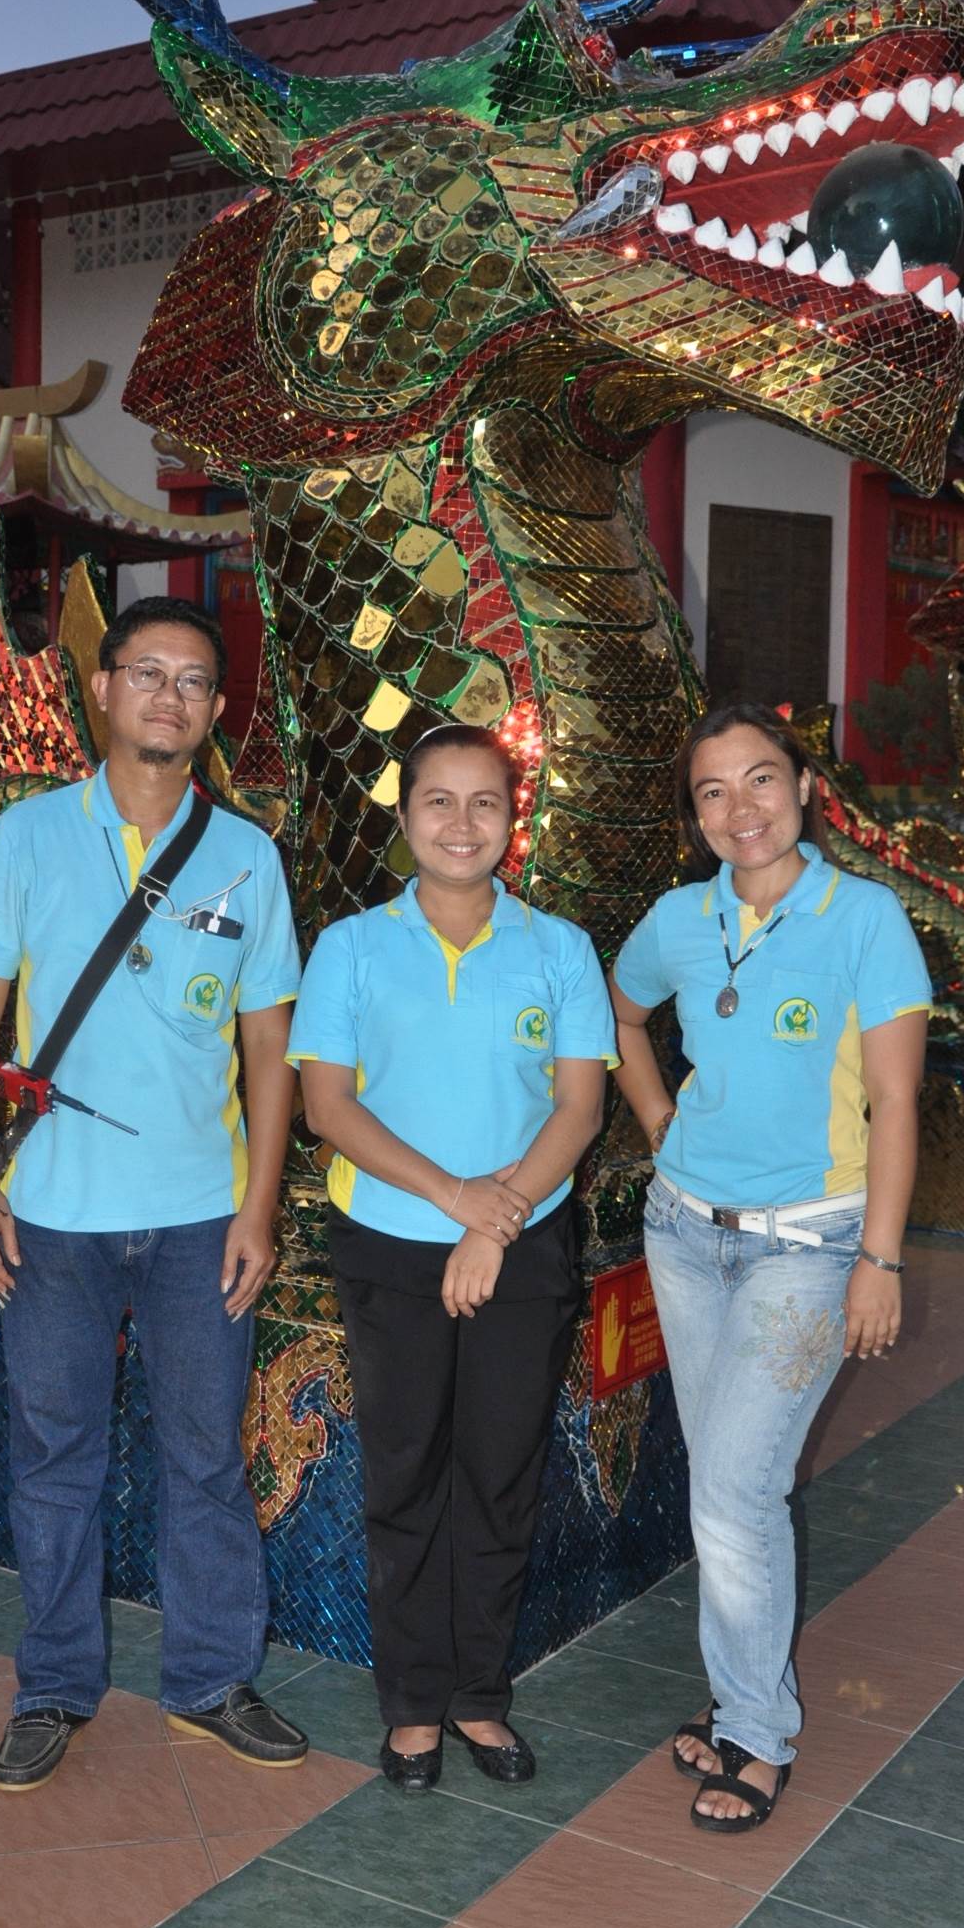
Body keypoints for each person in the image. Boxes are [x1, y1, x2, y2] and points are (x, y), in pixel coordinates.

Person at [0, 596, 308, 1791]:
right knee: (54, 1456)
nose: (169, 695)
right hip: (51, 1212)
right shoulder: (29, 834)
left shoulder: (247, 855)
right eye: (146, 672)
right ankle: (52, 1682)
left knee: (205, 1457)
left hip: (201, 1213)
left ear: (215, 709)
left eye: (192, 679)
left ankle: (211, 1677)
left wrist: (258, 1207)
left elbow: (269, 1047)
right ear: (100, 689)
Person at [610, 702, 929, 1833]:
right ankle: (742, 1689)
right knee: (727, 1482)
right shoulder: (678, 918)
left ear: (801, 788)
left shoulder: (865, 918)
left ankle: (756, 1729)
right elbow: (621, 1011)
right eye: (712, 790)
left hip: (811, 1242)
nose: (738, 807)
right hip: (683, 1231)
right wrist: (659, 1117)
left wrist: (879, 1257)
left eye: (758, 779)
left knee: (734, 1488)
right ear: (694, 814)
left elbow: (895, 1100)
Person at [288, 725, 616, 1793]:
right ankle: (412, 1704)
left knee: (500, 1472)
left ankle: (479, 1694)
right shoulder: (350, 947)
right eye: (439, 801)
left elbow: (579, 1107)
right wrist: (454, 1198)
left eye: (485, 802)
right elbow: (327, 1106)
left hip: (522, 1245)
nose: (461, 823)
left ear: (512, 819)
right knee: (406, 1473)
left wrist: (493, 1220)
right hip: (390, 1243)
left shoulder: (558, 947)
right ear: (404, 815)